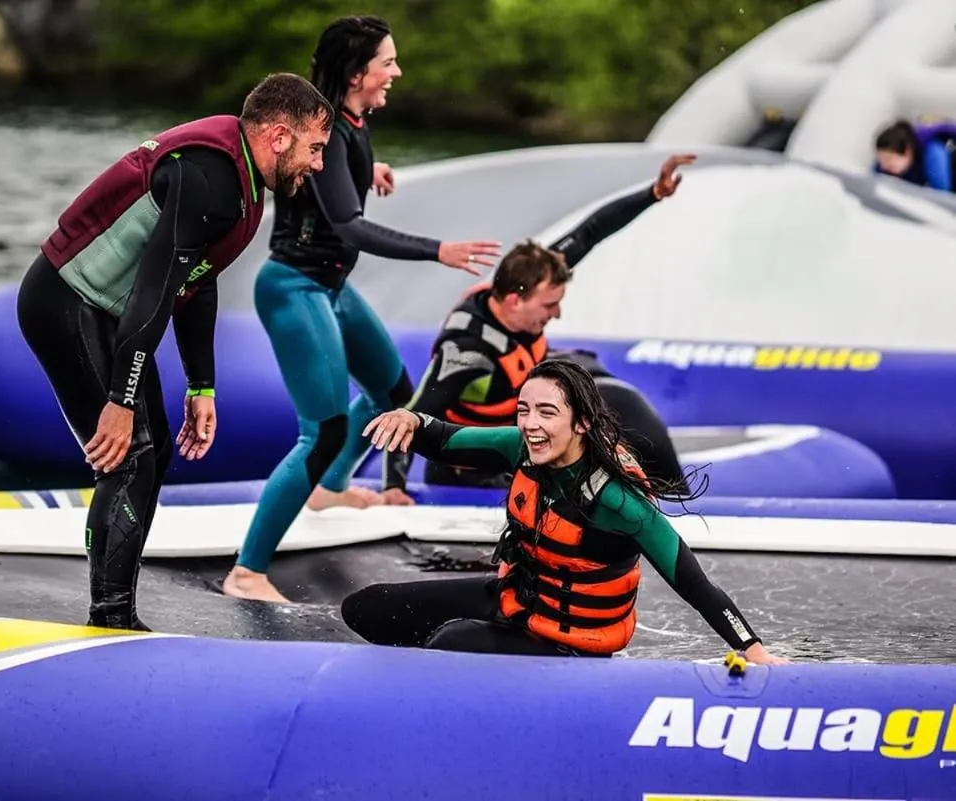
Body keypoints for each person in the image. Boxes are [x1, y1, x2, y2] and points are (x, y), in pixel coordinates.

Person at [15, 73, 334, 630]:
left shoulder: (242, 178)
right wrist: (119, 398)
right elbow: (154, 291)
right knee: (130, 454)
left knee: (154, 451)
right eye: (316, 148)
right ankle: (109, 618)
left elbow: (197, 283)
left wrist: (201, 384)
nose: (319, 164)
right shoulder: (209, 178)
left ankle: (113, 604)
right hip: (65, 302)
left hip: (110, 314)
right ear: (280, 136)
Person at [220, 15, 502, 604]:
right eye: (387, 62)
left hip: (332, 287)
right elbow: (347, 222)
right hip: (294, 286)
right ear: (356, 73)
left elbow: (334, 182)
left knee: (392, 393)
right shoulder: (329, 127)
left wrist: (363, 171)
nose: (396, 72)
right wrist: (438, 251)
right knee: (319, 431)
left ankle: (328, 488)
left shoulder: (348, 123)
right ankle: (246, 571)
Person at [346, 356, 788, 664]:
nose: (531, 425)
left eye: (546, 413)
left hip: (570, 639)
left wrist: (751, 647)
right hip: (517, 598)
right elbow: (442, 437)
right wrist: (413, 420)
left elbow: (694, 583)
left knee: (449, 643)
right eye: (523, 411)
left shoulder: (617, 501)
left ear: (580, 422)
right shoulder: (520, 446)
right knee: (366, 608)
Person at [380, 155, 696, 502]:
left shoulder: (530, 275)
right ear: (516, 301)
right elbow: (412, 416)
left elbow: (590, 232)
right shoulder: (467, 351)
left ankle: (677, 501)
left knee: (623, 402)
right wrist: (394, 488)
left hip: (530, 415)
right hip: (479, 469)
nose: (557, 313)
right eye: (549, 306)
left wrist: (652, 193)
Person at [873, 119, 955, 193]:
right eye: (880, 160)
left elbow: (942, 196)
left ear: (907, 151)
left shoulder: (933, 153)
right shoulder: (883, 166)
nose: (883, 166)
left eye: (888, 159)